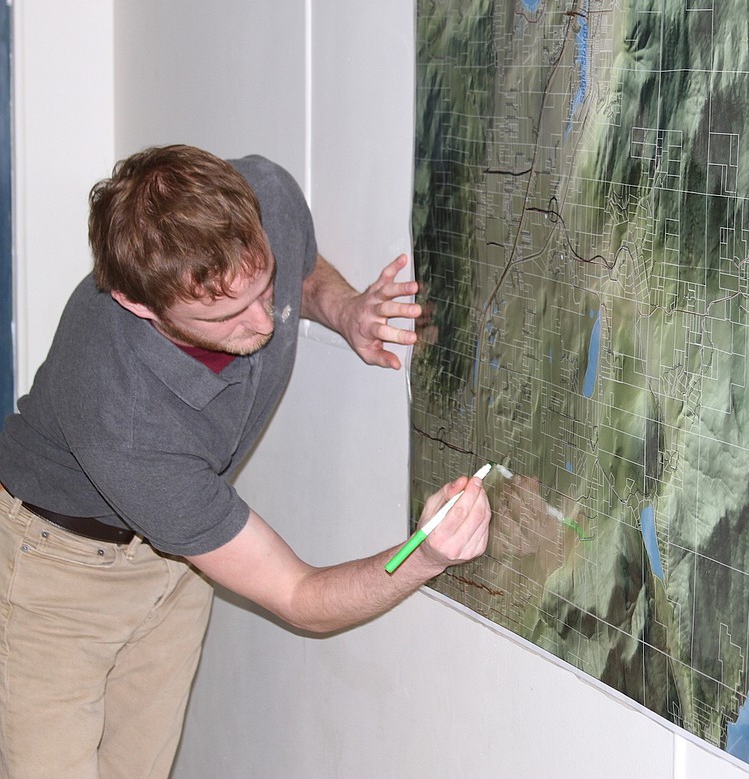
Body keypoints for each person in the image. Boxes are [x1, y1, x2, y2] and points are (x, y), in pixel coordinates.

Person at [0, 144, 491, 778]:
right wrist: (423, 556)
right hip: (56, 575)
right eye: (228, 315)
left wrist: (344, 310)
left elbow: (300, 269)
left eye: (264, 287)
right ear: (140, 305)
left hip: (177, 558)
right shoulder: (126, 420)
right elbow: (297, 594)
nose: (262, 322)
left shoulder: (263, 195)